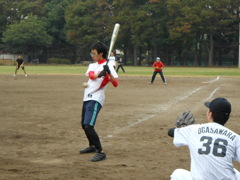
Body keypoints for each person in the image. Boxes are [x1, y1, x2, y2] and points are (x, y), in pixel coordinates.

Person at [168, 97, 240, 180]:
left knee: (177, 174)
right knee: (234, 172)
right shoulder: (235, 138)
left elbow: (171, 132)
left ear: (210, 114)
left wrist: (179, 127)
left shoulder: (193, 130)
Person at [79, 42, 119, 162]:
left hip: (96, 98)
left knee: (88, 125)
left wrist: (108, 72)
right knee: (83, 124)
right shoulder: (92, 65)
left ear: (101, 53)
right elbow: (91, 76)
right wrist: (100, 73)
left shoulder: (109, 66)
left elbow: (115, 84)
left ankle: (100, 151)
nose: (92, 55)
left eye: (94, 53)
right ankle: (92, 146)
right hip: (87, 97)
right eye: (91, 52)